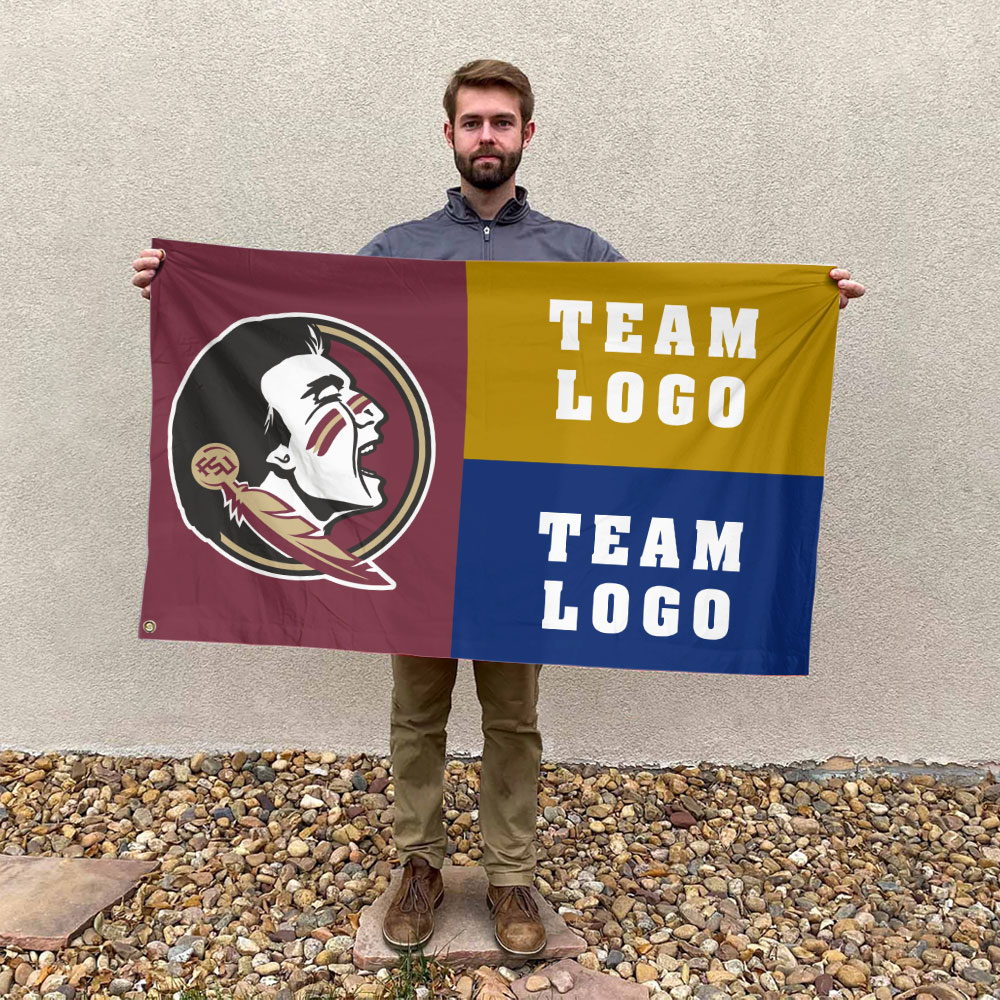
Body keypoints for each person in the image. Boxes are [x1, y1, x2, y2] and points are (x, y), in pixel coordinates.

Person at [131, 59, 866, 959]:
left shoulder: (579, 254)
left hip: (525, 524)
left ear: (527, 134)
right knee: (417, 710)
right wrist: (181, 287)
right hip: (420, 531)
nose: (488, 136)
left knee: (513, 714)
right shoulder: (397, 251)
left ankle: (512, 872)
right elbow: (298, 317)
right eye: (473, 121)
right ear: (449, 133)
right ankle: (419, 864)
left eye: (503, 122)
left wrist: (803, 308)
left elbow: (674, 335)